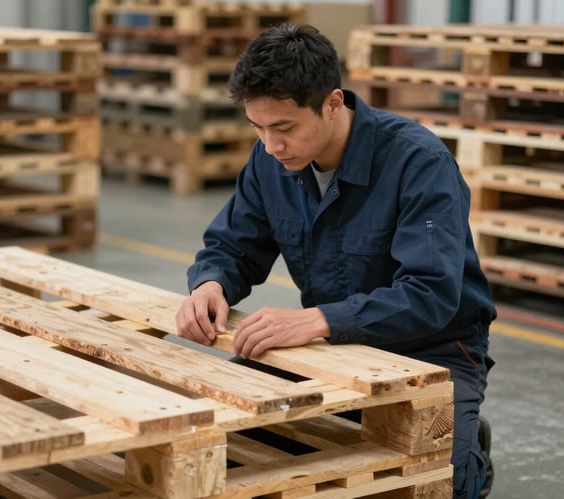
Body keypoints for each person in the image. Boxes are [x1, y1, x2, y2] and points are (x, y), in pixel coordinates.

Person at [174, 23, 495, 499]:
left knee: (439, 480)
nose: (270, 145)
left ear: (332, 103)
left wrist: (319, 319)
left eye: (283, 127)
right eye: (257, 127)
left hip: (433, 350)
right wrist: (210, 284)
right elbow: (234, 244)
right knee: (220, 441)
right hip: (328, 349)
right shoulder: (271, 161)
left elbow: (431, 293)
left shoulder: (418, 162)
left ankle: (472, 452)